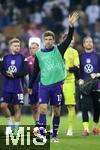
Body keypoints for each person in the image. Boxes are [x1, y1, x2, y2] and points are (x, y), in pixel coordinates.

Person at [28, 12, 79, 142]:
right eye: (46, 39)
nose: (48, 41)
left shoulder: (59, 50)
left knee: (56, 111)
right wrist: (29, 85)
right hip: (44, 85)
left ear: (53, 40)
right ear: (43, 40)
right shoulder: (39, 54)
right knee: (43, 109)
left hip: (57, 86)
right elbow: (35, 71)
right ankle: (42, 135)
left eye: (51, 39)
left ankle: (54, 135)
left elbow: (68, 39)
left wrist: (71, 26)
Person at [0, 38, 28, 136]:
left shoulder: (23, 58)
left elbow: (25, 71)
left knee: (17, 108)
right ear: (11, 46)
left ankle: (16, 130)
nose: (17, 47)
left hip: (18, 86)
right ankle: (10, 125)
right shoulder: (5, 58)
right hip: (7, 86)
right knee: (3, 106)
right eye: (15, 46)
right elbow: (2, 69)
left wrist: (14, 75)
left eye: (18, 46)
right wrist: (6, 73)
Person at [79, 36, 100, 136]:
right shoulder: (79, 56)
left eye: (90, 42)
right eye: (86, 42)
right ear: (83, 44)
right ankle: (86, 129)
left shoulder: (98, 56)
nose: (89, 43)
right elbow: (77, 71)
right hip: (85, 86)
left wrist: (97, 74)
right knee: (85, 108)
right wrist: (79, 79)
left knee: (97, 108)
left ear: (93, 44)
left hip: (97, 86)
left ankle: (95, 127)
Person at [63, 36, 80, 136]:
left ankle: (70, 128)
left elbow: (77, 67)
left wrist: (69, 68)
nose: (72, 41)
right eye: (70, 39)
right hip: (57, 81)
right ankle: (53, 128)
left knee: (70, 105)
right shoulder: (57, 50)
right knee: (55, 106)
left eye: (73, 39)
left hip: (69, 81)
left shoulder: (74, 52)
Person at [25, 37, 40, 127]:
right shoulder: (27, 60)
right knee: (34, 107)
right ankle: (36, 123)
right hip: (32, 87)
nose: (31, 50)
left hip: (41, 86)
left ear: (38, 48)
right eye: (30, 48)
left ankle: (39, 124)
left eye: (33, 48)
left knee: (40, 106)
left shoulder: (43, 58)